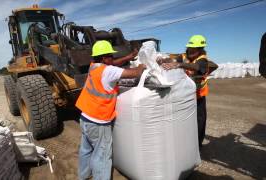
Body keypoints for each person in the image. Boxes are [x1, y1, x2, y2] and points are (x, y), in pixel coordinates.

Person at [75, 40, 146, 180]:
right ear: (103, 58)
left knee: (86, 150)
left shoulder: (94, 67)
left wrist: (128, 57)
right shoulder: (108, 71)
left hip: (85, 117)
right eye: (110, 56)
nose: (113, 59)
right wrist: (142, 66)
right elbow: (135, 73)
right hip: (98, 122)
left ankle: (84, 176)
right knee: (102, 155)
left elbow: (113, 65)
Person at [159, 35, 213, 147]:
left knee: (199, 121)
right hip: (184, 95)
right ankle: (185, 143)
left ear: (200, 50)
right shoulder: (184, 56)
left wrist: (179, 65)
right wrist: (163, 59)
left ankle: (197, 145)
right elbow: (172, 60)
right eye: (189, 48)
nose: (190, 51)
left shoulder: (202, 60)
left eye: (194, 50)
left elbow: (197, 67)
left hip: (198, 96)